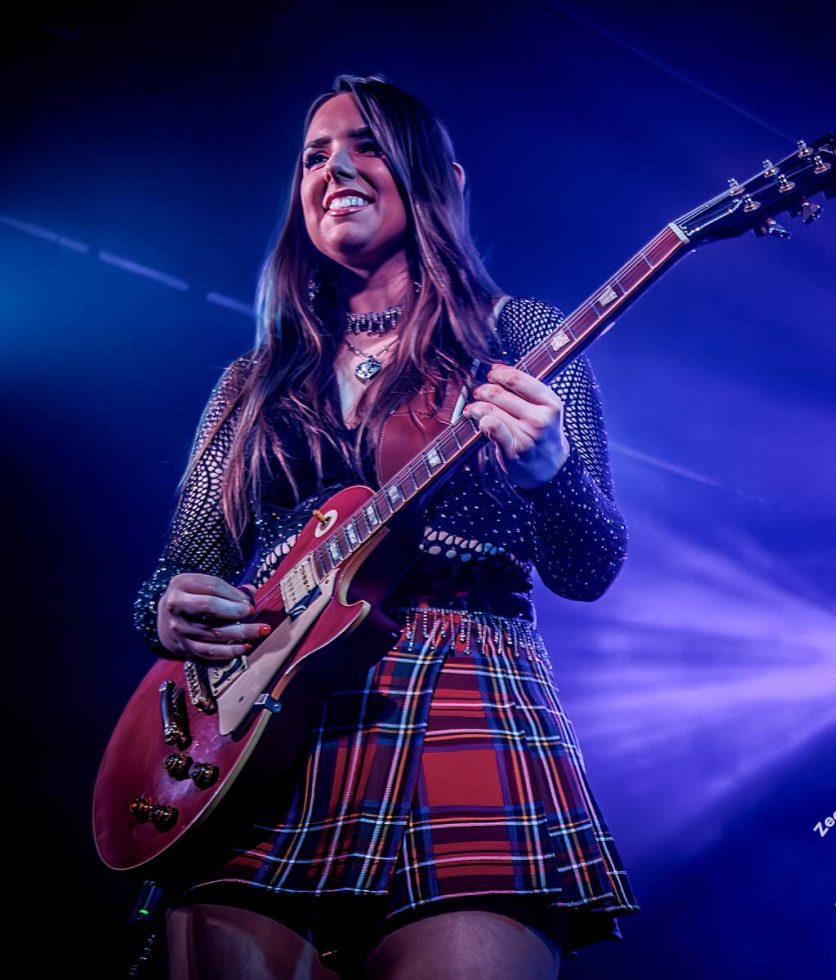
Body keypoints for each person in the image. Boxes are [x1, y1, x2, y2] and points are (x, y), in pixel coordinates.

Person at [132, 74, 638, 979]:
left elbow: (591, 565)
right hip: (260, 717)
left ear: (440, 179)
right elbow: (176, 573)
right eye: (314, 156)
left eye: (366, 145)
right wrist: (167, 610)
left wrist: (551, 473)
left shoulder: (516, 334)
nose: (335, 169)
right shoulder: (251, 381)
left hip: (460, 686)